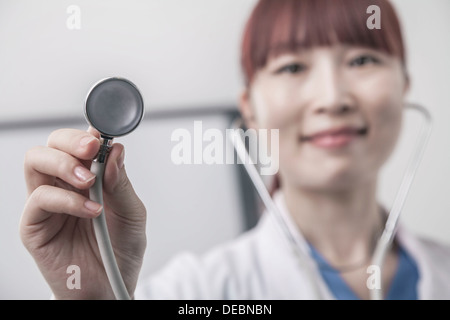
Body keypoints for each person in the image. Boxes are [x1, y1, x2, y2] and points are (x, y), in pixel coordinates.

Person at [20, 0, 450, 300]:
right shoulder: (193, 292)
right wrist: (93, 298)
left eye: (361, 61)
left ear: (404, 87)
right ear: (251, 111)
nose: (332, 97)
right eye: (293, 67)